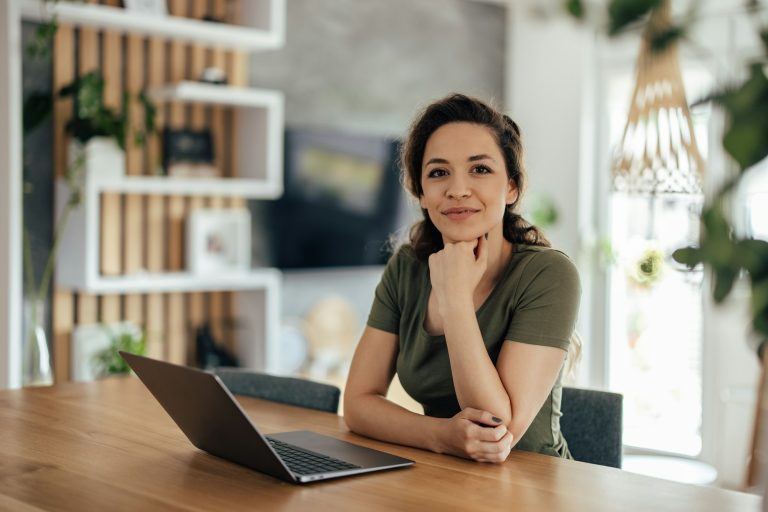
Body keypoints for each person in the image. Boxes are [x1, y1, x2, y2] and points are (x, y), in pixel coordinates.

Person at [343, 93, 581, 463]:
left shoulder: (548, 274)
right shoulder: (407, 266)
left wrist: (454, 297)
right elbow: (357, 404)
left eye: (480, 169)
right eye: (439, 172)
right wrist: (440, 436)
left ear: (512, 187)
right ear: (421, 193)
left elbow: (495, 431)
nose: (457, 189)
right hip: (442, 477)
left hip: (531, 488)